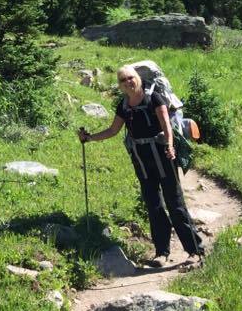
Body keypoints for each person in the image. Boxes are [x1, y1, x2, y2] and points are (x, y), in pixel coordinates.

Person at [78, 64, 203, 266]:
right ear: (119, 85)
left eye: (130, 78)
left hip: (162, 153)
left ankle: (195, 251)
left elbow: (166, 125)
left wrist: (170, 146)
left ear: (137, 78)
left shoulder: (154, 97)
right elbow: (113, 130)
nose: (128, 82)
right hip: (141, 159)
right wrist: (89, 138)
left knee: (175, 202)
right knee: (153, 205)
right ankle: (161, 253)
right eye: (123, 80)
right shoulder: (124, 105)